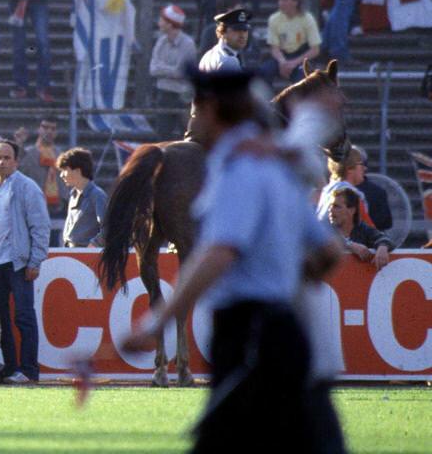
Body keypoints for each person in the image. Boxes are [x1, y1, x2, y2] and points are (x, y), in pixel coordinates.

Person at [119, 65, 344, 452]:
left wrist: (158, 320)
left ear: (211, 111)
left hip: (247, 335)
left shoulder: (237, 170)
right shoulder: (277, 168)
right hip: (286, 334)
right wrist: (284, 276)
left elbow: (219, 253)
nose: (193, 118)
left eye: (196, 107)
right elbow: (328, 252)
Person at [0, 137, 48, 383]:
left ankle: (29, 370)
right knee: (0, 319)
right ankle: (10, 368)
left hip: (20, 262)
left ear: (16, 160)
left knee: (24, 316)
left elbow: (41, 226)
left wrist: (35, 261)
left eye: (6, 157)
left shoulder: (27, 187)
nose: (1, 162)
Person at [260, 0, 321, 88]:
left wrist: (293, 63)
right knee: (264, 72)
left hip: (301, 56)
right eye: (280, 0)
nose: (280, 3)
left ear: (295, 2)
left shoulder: (307, 19)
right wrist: (283, 62)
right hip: (282, 56)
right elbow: (274, 48)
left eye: (284, 0)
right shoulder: (274, 19)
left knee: (302, 78)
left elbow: (315, 50)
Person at [150, 3, 198, 134]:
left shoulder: (188, 44)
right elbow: (152, 69)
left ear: (170, 24)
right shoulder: (161, 41)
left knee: (186, 133)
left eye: (162, 19)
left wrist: (163, 69)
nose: (159, 22)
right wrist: (170, 70)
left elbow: (181, 72)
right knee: (162, 134)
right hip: (163, 94)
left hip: (181, 96)